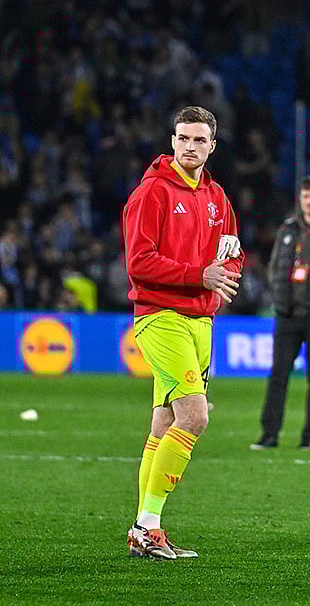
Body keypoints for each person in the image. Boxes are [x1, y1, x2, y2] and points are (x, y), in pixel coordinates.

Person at [122, 106, 245, 560]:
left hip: (201, 321)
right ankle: (147, 525)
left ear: (212, 146)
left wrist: (225, 272)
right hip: (160, 317)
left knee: (165, 422)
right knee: (194, 417)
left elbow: (231, 249)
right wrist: (201, 275)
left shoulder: (217, 196)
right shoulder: (151, 192)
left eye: (198, 140)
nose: (189, 147)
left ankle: (145, 528)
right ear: (172, 141)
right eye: (182, 138)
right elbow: (138, 261)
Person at [251, 174, 310, 451]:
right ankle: (269, 435)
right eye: (305, 196)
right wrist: (280, 292)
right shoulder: (289, 228)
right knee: (278, 375)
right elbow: (275, 266)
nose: (309, 201)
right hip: (288, 313)